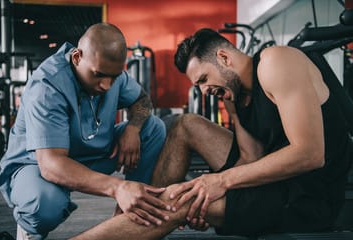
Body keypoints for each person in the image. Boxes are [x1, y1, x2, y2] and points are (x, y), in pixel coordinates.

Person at [69, 28, 352, 239]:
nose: (204, 91)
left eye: (203, 79)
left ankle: (146, 219)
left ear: (224, 57)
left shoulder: (277, 62)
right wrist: (210, 202)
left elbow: (311, 154)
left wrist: (218, 183)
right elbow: (250, 158)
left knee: (179, 201)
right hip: (274, 184)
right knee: (185, 126)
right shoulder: (234, 94)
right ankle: (143, 220)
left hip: (308, 196)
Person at [0, 23, 170, 240]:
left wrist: (133, 129)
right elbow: (51, 166)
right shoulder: (47, 86)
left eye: (114, 78)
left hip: (89, 153)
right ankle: (29, 233)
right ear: (77, 57)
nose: (107, 85)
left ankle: (131, 216)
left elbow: (142, 99)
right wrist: (118, 187)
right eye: (99, 75)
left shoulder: (110, 72)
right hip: (38, 164)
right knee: (44, 204)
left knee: (153, 128)